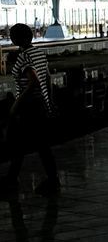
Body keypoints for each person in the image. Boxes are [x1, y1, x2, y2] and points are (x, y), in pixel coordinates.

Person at [2, 23, 60, 196]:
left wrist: (16, 104)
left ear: (16, 39)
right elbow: (47, 78)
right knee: (28, 143)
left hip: (29, 106)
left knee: (24, 143)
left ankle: (51, 180)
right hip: (40, 103)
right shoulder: (39, 53)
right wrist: (49, 101)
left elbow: (33, 80)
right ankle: (13, 179)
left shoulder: (24, 56)